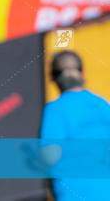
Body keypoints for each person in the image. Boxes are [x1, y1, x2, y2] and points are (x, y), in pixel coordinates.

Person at [40, 50, 110, 200]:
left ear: (53, 78)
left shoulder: (55, 110)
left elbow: (49, 158)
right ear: (82, 73)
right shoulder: (102, 105)